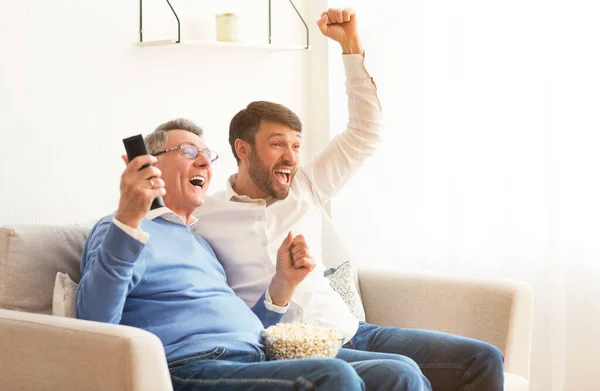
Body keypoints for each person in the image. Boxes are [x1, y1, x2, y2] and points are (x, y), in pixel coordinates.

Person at [192, 7, 504, 391]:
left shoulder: (305, 185)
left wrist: (350, 47)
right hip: (294, 349)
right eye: (277, 145)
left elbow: (365, 131)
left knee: (482, 358)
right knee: (401, 372)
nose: (291, 155)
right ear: (242, 149)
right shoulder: (203, 217)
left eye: (295, 145)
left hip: (353, 330)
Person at [76, 118, 431, 390]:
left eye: (207, 154)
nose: (203, 161)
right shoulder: (119, 230)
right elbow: (93, 322)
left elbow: (247, 328)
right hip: (190, 367)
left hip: (255, 353)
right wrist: (128, 218)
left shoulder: (198, 241)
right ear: (148, 164)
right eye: (187, 152)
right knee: (330, 376)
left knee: (399, 372)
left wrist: (281, 286)